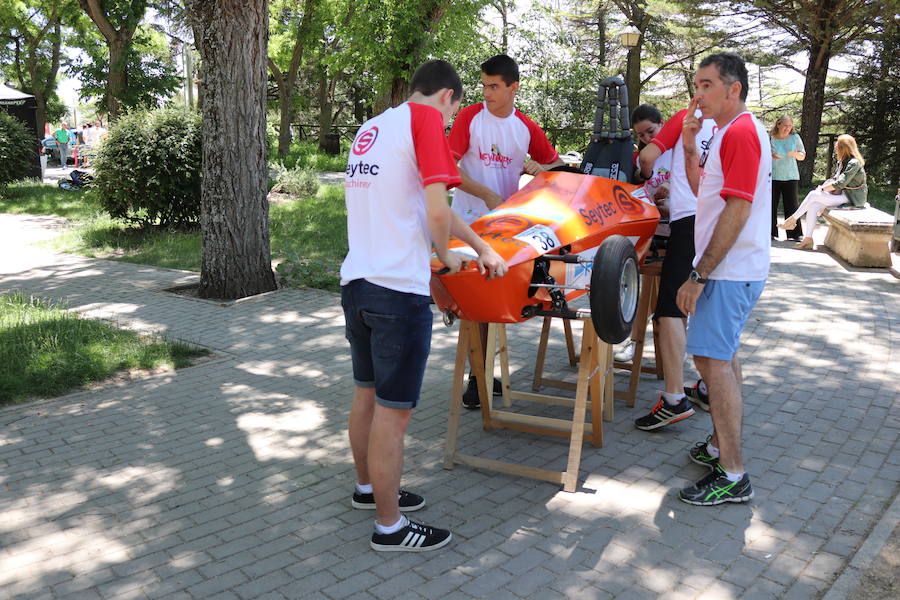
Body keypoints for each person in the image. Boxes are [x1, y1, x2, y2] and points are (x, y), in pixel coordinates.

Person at [340, 59, 508, 551]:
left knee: (366, 395)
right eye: (455, 109)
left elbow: (424, 206)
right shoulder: (427, 121)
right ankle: (390, 528)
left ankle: (368, 490)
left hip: (358, 283)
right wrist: (446, 258)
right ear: (448, 97)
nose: (452, 120)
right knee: (394, 414)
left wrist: (480, 247)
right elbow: (437, 211)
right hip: (397, 293)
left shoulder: (374, 128)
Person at [676, 52, 771, 506]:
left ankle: (733, 473)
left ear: (734, 89)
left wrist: (699, 273)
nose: (699, 94)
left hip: (729, 270)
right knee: (721, 359)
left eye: (708, 84)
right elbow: (705, 193)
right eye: (697, 84)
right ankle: (719, 448)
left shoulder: (743, 133)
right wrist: (691, 145)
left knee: (713, 364)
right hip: (732, 268)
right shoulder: (725, 133)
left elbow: (737, 209)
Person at [448, 54, 563, 408]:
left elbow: (558, 169)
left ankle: (485, 372)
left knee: (496, 301)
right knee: (472, 305)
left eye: (494, 86)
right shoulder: (469, 117)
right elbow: (447, 167)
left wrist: (540, 168)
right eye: (483, 85)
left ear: (514, 87)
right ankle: (476, 378)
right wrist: (486, 194)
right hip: (467, 224)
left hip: (507, 231)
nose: (486, 92)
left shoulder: (526, 127)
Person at [631, 100, 717, 431]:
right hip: (720, 225)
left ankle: (673, 398)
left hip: (688, 223)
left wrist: (646, 171)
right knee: (708, 307)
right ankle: (709, 388)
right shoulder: (732, 124)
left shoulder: (684, 118)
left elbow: (647, 158)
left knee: (669, 311)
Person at [614, 104, 670, 363]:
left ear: (662, 123)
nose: (647, 139)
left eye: (651, 131)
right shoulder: (638, 158)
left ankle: (672, 349)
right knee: (642, 291)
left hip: (676, 231)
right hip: (650, 232)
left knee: (672, 297)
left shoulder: (678, 150)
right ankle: (634, 342)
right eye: (642, 136)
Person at [779, 134, 867, 249]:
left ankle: (791, 221)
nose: (835, 148)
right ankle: (808, 239)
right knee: (814, 204)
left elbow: (840, 183)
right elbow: (835, 180)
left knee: (813, 194)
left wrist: (822, 189)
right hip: (842, 195)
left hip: (852, 198)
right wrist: (823, 189)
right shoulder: (843, 161)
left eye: (837, 146)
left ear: (843, 148)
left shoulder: (853, 163)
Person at [769, 115, 806, 241]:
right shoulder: (770, 137)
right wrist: (770, 155)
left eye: (790, 126)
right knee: (771, 205)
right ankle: (770, 233)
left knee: (792, 205)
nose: (787, 128)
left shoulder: (795, 137)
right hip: (773, 176)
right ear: (778, 124)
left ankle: (795, 234)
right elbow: (762, 154)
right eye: (785, 125)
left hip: (791, 176)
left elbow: (802, 156)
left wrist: (795, 154)